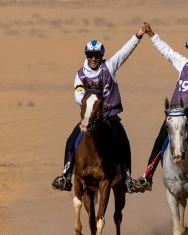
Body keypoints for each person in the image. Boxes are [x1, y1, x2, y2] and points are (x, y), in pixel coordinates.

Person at [129, 23, 188, 193]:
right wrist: (152, 34)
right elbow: (167, 51)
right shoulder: (184, 64)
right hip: (176, 113)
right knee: (160, 141)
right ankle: (147, 177)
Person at [51, 26, 145, 192]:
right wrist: (93, 103)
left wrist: (138, 36)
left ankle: (128, 178)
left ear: (101, 56)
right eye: (90, 55)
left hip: (110, 116)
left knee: (124, 141)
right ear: (86, 56)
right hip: (90, 117)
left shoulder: (109, 66)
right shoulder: (80, 74)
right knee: (71, 140)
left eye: (97, 56)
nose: (94, 59)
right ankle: (65, 175)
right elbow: (78, 94)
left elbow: (125, 52)